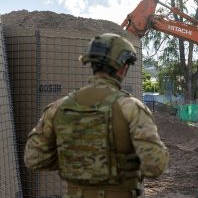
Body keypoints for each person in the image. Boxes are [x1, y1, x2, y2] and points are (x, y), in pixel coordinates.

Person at [24, 33, 169, 198]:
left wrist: (74, 160)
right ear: (123, 68)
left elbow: (33, 158)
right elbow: (155, 166)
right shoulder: (131, 108)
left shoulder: (57, 107)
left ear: (92, 65)